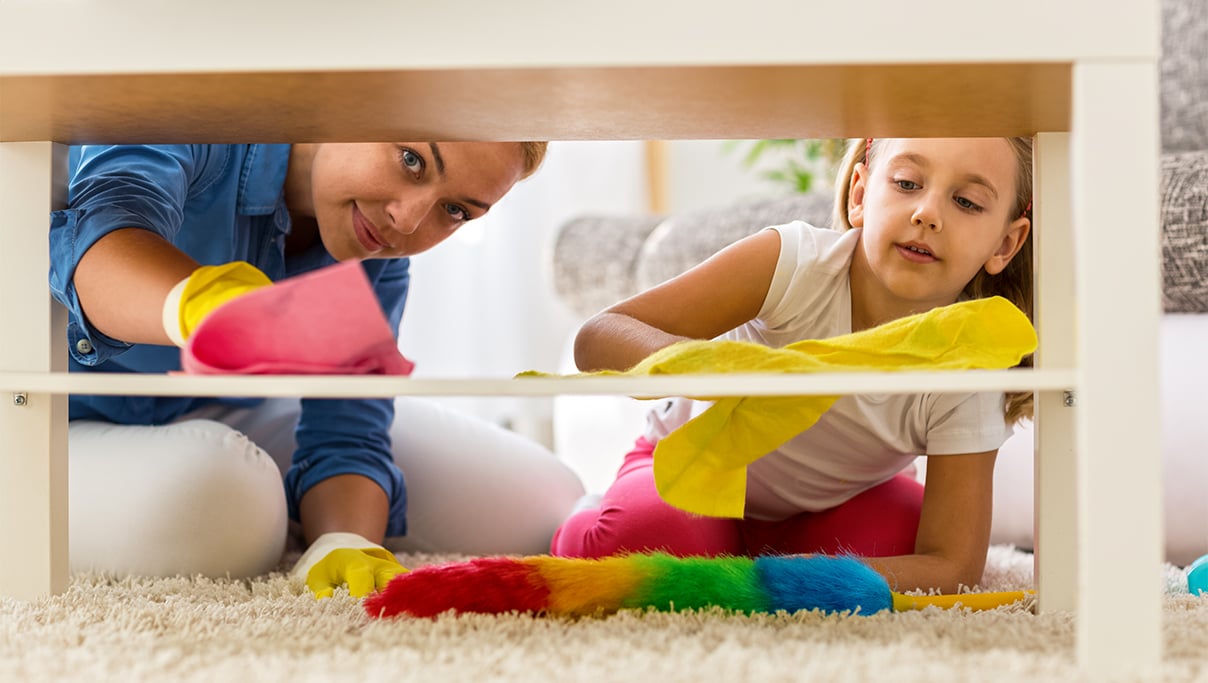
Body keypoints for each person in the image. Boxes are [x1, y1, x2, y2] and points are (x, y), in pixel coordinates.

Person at [50, 142, 586, 597]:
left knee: (545, 502)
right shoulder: (201, 116)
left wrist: (345, 540)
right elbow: (102, 238)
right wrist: (206, 305)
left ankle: (277, 513)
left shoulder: (375, 251)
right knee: (230, 504)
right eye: (412, 161)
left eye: (455, 210)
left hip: (207, 407)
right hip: (48, 421)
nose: (408, 219)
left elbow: (348, 431)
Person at [551, 137, 1034, 594]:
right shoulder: (795, 262)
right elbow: (597, 338)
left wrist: (798, 576)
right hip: (693, 479)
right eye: (907, 183)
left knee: (900, 540)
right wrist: (705, 364)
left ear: (1005, 245)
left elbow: (952, 566)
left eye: (967, 202)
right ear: (861, 194)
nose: (927, 214)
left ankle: (760, 555)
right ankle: (590, 517)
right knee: (656, 540)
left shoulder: (971, 367)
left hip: (830, 510)